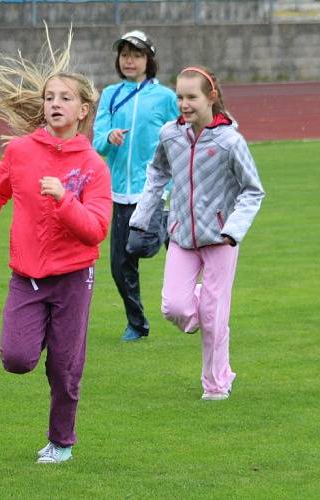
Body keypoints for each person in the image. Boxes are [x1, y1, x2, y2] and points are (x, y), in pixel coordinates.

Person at [0, 42, 112, 463]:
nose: (55, 104)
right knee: (17, 359)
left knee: (65, 368)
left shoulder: (93, 165)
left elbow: (96, 230)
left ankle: (60, 443)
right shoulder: (19, 151)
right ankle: (41, 346)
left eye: (65, 98)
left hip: (73, 279)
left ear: (83, 110)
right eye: (50, 97)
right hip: (27, 277)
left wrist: (64, 200)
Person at [129, 65, 265, 400]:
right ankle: (210, 304)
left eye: (192, 97)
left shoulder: (230, 141)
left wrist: (233, 228)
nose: (184, 104)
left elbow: (253, 190)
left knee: (214, 317)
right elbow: (157, 173)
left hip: (221, 238)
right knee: (174, 307)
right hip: (181, 235)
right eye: (179, 97)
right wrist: (141, 217)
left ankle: (216, 385)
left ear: (211, 98)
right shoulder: (169, 135)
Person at [93, 30, 179, 342]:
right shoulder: (110, 95)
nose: (130, 60)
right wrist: (109, 136)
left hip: (156, 190)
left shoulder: (167, 98)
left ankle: (188, 300)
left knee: (145, 247)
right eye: (125, 54)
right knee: (119, 264)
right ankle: (137, 323)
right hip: (119, 191)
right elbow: (97, 140)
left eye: (137, 54)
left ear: (149, 60)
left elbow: (182, 134)